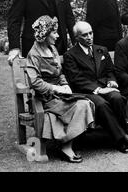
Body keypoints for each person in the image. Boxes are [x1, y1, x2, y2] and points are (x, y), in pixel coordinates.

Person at [63, 21, 128, 153]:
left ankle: (122, 137)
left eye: (91, 33)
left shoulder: (101, 49)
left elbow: (110, 71)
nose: (89, 37)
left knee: (117, 97)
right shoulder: (70, 55)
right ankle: (124, 140)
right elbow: (76, 80)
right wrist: (99, 90)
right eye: (85, 35)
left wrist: (112, 81)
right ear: (77, 37)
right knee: (101, 104)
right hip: (86, 91)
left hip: (104, 87)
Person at [26, 16, 94, 163]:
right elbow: (35, 83)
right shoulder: (34, 55)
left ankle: (66, 144)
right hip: (43, 99)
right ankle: (66, 147)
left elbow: (60, 72)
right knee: (80, 105)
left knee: (85, 103)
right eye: (54, 33)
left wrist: (65, 85)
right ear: (44, 35)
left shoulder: (53, 49)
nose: (57, 36)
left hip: (59, 96)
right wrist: (56, 88)